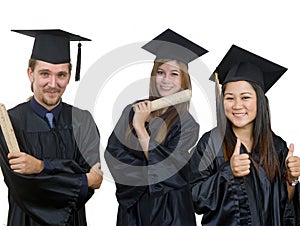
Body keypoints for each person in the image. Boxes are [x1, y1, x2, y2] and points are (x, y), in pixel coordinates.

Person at [104, 29, 208, 225]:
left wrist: (140, 128)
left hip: (171, 212)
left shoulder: (188, 125)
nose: (165, 79)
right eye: (160, 72)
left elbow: (169, 169)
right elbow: (114, 156)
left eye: (174, 74)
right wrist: (150, 171)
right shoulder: (132, 110)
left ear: (184, 81)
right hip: (133, 210)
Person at [0, 29, 103, 225]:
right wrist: (81, 179)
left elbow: (93, 182)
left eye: (61, 75)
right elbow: (24, 188)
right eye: (45, 74)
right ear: (31, 74)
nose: (53, 84)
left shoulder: (83, 121)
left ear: (70, 75)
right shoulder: (9, 123)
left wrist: (40, 166)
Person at [189, 44, 297, 225]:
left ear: (259, 101)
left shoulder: (276, 146)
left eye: (245, 97)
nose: (237, 105)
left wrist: (292, 179)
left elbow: (284, 205)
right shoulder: (211, 143)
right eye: (229, 98)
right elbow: (193, 199)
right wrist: (227, 172)